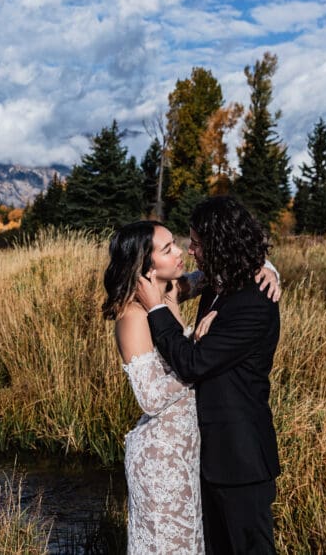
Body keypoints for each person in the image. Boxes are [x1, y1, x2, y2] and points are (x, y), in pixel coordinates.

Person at [104, 220, 280, 554]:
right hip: (162, 456)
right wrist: (200, 349)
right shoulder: (131, 315)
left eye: (178, 243)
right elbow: (151, 398)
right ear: (146, 264)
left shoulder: (175, 289)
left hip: (192, 449)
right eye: (168, 248)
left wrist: (267, 268)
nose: (182, 251)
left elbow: (232, 267)